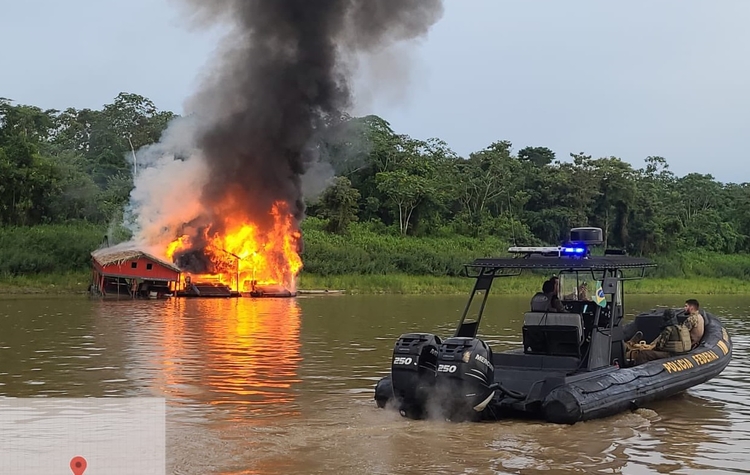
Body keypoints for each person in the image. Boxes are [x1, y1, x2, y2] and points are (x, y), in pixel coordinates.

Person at [627, 308, 692, 365]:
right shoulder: (682, 327)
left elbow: (659, 346)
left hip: (671, 354)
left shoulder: (669, 329)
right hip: (683, 353)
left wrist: (647, 348)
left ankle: (639, 368)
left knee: (643, 354)